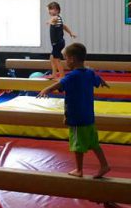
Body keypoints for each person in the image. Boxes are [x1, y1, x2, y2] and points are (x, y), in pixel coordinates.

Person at [37, 42, 111, 178]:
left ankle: (79, 170)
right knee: (94, 143)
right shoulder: (89, 72)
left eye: (65, 58)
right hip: (89, 116)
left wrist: (46, 89)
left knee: (77, 144)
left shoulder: (72, 76)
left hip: (77, 117)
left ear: (72, 59)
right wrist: (102, 82)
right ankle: (104, 165)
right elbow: (97, 79)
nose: (65, 61)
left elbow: (60, 84)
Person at [47, 1, 76, 79]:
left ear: (57, 10)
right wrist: (71, 33)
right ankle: (54, 74)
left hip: (57, 42)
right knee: (52, 58)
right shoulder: (58, 19)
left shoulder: (56, 18)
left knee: (57, 60)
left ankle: (62, 76)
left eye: (52, 9)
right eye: (49, 9)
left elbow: (54, 19)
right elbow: (64, 26)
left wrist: (49, 21)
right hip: (58, 42)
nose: (50, 11)